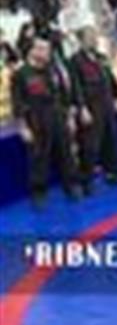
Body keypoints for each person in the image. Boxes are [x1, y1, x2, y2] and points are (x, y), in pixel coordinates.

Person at [12, 37, 81, 208]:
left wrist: (70, 117)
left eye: (48, 49)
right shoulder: (21, 74)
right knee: (38, 158)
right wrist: (23, 127)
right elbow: (17, 103)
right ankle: (39, 192)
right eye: (43, 49)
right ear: (33, 51)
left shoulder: (53, 70)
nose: (47, 53)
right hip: (37, 120)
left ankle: (71, 185)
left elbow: (64, 95)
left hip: (58, 116)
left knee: (66, 153)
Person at [69, 26, 117, 192]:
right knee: (90, 144)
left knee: (110, 138)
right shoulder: (75, 61)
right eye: (90, 36)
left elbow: (110, 78)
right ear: (81, 40)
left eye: (95, 36)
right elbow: (75, 86)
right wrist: (82, 108)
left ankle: (112, 172)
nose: (94, 39)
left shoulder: (101, 57)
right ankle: (87, 179)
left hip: (107, 103)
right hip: (91, 106)